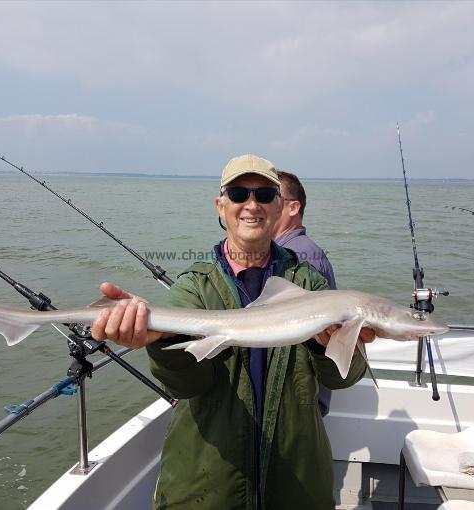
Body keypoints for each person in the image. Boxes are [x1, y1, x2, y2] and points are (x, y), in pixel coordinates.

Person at [91, 154, 375, 510]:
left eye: (265, 195)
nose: (251, 205)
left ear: (280, 207)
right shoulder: (194, 287)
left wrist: (328, 346)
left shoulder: (309, 283)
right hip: (208, 482)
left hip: (296, 483)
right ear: (220, 207)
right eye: (239, 194)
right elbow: (185, 385)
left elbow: (343, 378)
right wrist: (161, 341)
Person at [273, 170, 338, 416]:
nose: (259, 206)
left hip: (298, 403)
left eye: (271, 197)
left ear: (293, 208)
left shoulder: (298, 258)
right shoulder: (290, 251)